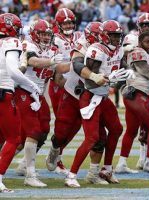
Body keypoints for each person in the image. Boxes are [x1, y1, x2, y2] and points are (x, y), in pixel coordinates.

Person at [65, 20, 126, 187]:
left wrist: (128, 75)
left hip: (103, 96)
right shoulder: (96, 50)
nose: (116, 39)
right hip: (90, 96)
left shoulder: (119, 50)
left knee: (116, 129)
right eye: (113, 36)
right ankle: (71, 175)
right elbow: (90, 82)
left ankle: (106, 169)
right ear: (104, 36)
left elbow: (120, 69)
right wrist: (103, 78)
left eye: (118, 36)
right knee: (92, 138)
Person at [15, 19, 65, 187]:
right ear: (35, 34)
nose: (45, 37)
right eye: (42, 33)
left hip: (39, 95)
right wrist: (52, 62)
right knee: (33, 131)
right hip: (23, 91)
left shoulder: (54, 49)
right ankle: (30, 174)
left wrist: (81, 71)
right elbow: (33, 62)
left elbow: (58, 78)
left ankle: (23, 164)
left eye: (47, 34)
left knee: (44, 130)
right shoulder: (28, 45)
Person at [116, 13, 149, 173]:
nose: (147, 27)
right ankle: (148, 160)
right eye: (144, 25)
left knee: (146, 126)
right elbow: (121, 60)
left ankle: (142, 159)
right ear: (139, 26)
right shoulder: (131, 39)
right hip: (140, 85)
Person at [0, 13, 41, 192]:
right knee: (13, 138)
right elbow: (13, 71)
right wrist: (32, 85)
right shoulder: (11, 42)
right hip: (3, 92)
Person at [48, 8, 82, 175]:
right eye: (65, 23)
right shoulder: (54, 39)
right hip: (59, 84)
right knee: (62, 124)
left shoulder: (80, 36)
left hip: (76, 84)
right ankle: (56, 156)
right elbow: (53, 65)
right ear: (58, 24)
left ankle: (56, 154)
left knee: (77, 123)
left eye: (70, 22)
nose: (68, 25)